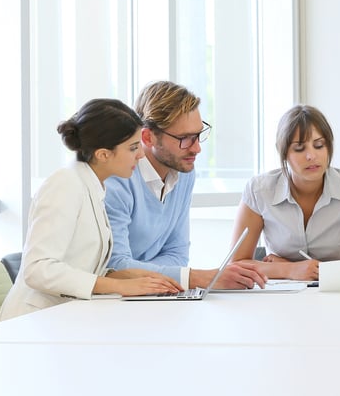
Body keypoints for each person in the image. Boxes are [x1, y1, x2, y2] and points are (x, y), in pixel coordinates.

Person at [0, 98, 182, 322]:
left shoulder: (93, 186)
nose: (141, 155)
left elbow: (80, 266)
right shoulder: (65, 183)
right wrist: (117, 285)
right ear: (103, 154)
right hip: (32, 321)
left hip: (63, 318)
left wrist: (134, 277)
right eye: (133, 148)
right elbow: (38, 269)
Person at [104, 81, 265, 290]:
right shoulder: (117, 179)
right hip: (112, 302)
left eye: (198, 135)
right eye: (184, 139)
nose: (197, 148)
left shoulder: (184, 172)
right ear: (148, 136)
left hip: (155, 295)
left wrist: (144, 273)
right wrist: (198, 278)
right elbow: (116, 267)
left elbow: (177, 254)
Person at [229, 104, 340, 281]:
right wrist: (288, 270)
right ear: (283, 152)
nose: (311, 156)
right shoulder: (259, 190)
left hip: (335, 295)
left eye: (319, 146)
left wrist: (308, 270)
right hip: (278, 298)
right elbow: (236, 265)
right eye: (299, 148)